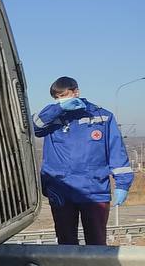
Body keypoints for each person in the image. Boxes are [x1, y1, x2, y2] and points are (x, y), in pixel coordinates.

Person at [32, 76, 134, 246]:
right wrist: (58, 108)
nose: (61, 100)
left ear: (76, 92)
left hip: (94, 189)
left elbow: (116, 151)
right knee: (65, 241)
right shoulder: (52, 117)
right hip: (61, 188)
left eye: (64, 95)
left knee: (96, 241)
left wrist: (123, 184)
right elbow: (34, 127)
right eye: (57, 98)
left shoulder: (102, 117)